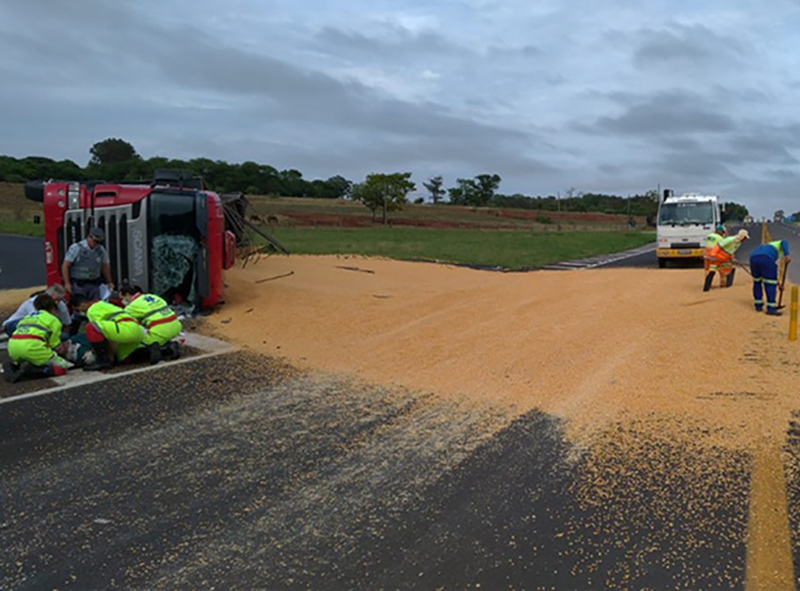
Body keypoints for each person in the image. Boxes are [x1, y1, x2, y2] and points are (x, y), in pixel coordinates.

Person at [3, 294, 72, 383]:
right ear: (53, 307)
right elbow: (56, 347)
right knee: (62, 368)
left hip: (13, 348)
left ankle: (16, 366)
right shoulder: (53, 320)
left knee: (36, 356)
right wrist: (64, 349)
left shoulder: (27, 317)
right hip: (32, 348)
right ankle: (30, 371)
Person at [71, 295, 144, 370]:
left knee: (92, 327)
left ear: (82, 305)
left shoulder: (92, 310)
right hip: (138, 330)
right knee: (122, 358)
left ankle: (103, 362)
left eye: (78, 310)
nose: (80, 312)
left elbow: (101, 333)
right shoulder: (102, 304)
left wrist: (99, 354)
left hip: (126, 329)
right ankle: (148, 352)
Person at [120, 285, 182, 364]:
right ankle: (169, 346)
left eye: (122, 298)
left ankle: (159, 351)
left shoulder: (132, 306)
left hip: (160, 330)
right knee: (160, 338)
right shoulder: (153, 297)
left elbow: (122, 320)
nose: (123, 301)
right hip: (176, 326)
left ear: (128, 294)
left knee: (134, 346)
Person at [62, 227, 114, 301]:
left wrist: (109, 281)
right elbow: (66, 265)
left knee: (95, 306)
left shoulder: (101, 250)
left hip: (94, 284)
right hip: (79, 285)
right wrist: (67, 283)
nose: (96, 244)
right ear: (89, 237)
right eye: (95, 241)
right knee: (80, 306)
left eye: (98, 242)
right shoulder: (77, 248)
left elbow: (104, 266)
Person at [2, 284, 71, 338]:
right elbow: (34, 322)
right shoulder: (33, 303)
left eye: (59, 300)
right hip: (17, 324)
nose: (56, 303)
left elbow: (66, 323)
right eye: (55, 300)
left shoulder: (61, 305)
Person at [749, 239, 791, 316]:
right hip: (766, 258)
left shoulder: (765, 246)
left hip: (753, 258)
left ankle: (758, 306)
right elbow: (784, 242)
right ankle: (771, 308)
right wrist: (786, 254)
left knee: (757, 282)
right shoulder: (779, 243)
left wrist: (778, 283)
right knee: (770, 284)